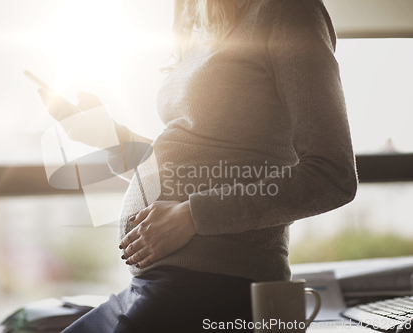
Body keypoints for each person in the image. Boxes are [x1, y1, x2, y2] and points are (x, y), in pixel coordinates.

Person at [39, 0, 358, 331]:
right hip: (152, 285)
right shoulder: (200, 22)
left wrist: (192, 216)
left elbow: (333, 175)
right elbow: (199, 161)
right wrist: (109, 136)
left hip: (211, 286)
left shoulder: (287, 11)